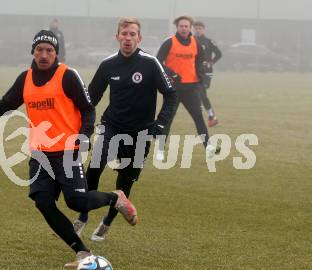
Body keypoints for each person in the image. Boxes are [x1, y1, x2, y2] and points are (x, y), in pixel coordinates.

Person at [0, 30, 138, 268]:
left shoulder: (67, 75)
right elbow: (6, 104)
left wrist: (83, 136)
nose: (44, 55)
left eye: (49, 50)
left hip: (67, 150)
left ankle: (115, 198)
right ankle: (82, 252)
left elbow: (88, 109)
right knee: (43, 202)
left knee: (77, 202)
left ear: (56, 53)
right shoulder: (25, 79)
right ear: (33, 52)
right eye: (40, 50)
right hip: (40, 153)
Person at [73, 17, 178, 241]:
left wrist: (160, 124)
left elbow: (171, 94)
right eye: (124, 34)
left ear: (139, 38)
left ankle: (107, 222)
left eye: (132, 34)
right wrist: (81, 125)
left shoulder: (150, 63)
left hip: (140, 132)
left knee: (125, 181)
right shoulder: (108, 65)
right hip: (111, 126)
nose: (128, 38)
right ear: (117, 36)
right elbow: (90, 98)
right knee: (93, 170)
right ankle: (83, 215)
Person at [156, 15, 218, 156]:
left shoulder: (195, 43)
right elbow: (158, 62)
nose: (184, 28)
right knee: (168, 119)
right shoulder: (169, 42)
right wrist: (171, 74)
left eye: (186, 26)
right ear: (177, 27)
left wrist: (200, 78)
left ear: (190, 28)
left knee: (198, 117)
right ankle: (160, 150)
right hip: (173, 89)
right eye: (181, 26)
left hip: (191, 88)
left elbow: (199, 62)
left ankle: (208, 147)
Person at [193, 21, 222, 127]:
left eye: (200, 28)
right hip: (195, 71)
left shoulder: (209, 41)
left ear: (203, 29)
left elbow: (219, 54)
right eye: (196, 28)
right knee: (199, 94)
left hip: (206, 72)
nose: (198, 30)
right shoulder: (191, 40)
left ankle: (211, 116)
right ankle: (211, 117)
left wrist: (212, 62)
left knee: (201, 93)